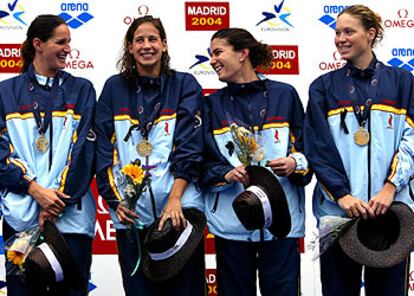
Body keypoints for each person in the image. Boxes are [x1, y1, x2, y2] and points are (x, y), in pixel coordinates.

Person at [304, 5, 414, 296]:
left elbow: (412, 140)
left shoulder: (404, 83)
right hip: (337, 214)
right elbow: (317, 148)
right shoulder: (322, 87)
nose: (340, 38)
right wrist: (342, 195)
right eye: (337, 32)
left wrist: (391, 187)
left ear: (371, 34)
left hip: (391, 213)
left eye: (349, 31)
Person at [95, 15, 205, 295]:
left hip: (179, 215)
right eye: (139, 40)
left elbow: (190, 147)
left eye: (152, 39)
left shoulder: (185, 84)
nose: (147, 45)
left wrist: (175, 199)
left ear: (164, 45)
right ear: (130, 47)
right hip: (132, 217)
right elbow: (104, 150)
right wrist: (115, 200)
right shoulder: (113, 87)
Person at [202, 28, 311, 296]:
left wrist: (294, 163)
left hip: (281, 225)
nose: (212, 60)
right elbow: (199, 163)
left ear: (243, 54)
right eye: (210, 54)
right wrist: (225, 173)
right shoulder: (211, 105)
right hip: (232, 224)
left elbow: (309, 150)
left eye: (218, 52)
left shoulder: (285, 95)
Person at [0, 14, 96, 295]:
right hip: (21, 221)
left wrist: (53, 201)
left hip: (71, 219)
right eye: (61, 42)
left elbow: (84, 153)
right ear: (38, 44)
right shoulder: (5, 93)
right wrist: (33, 189)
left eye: (70, 42)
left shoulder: (81, 90)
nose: (68, 48)